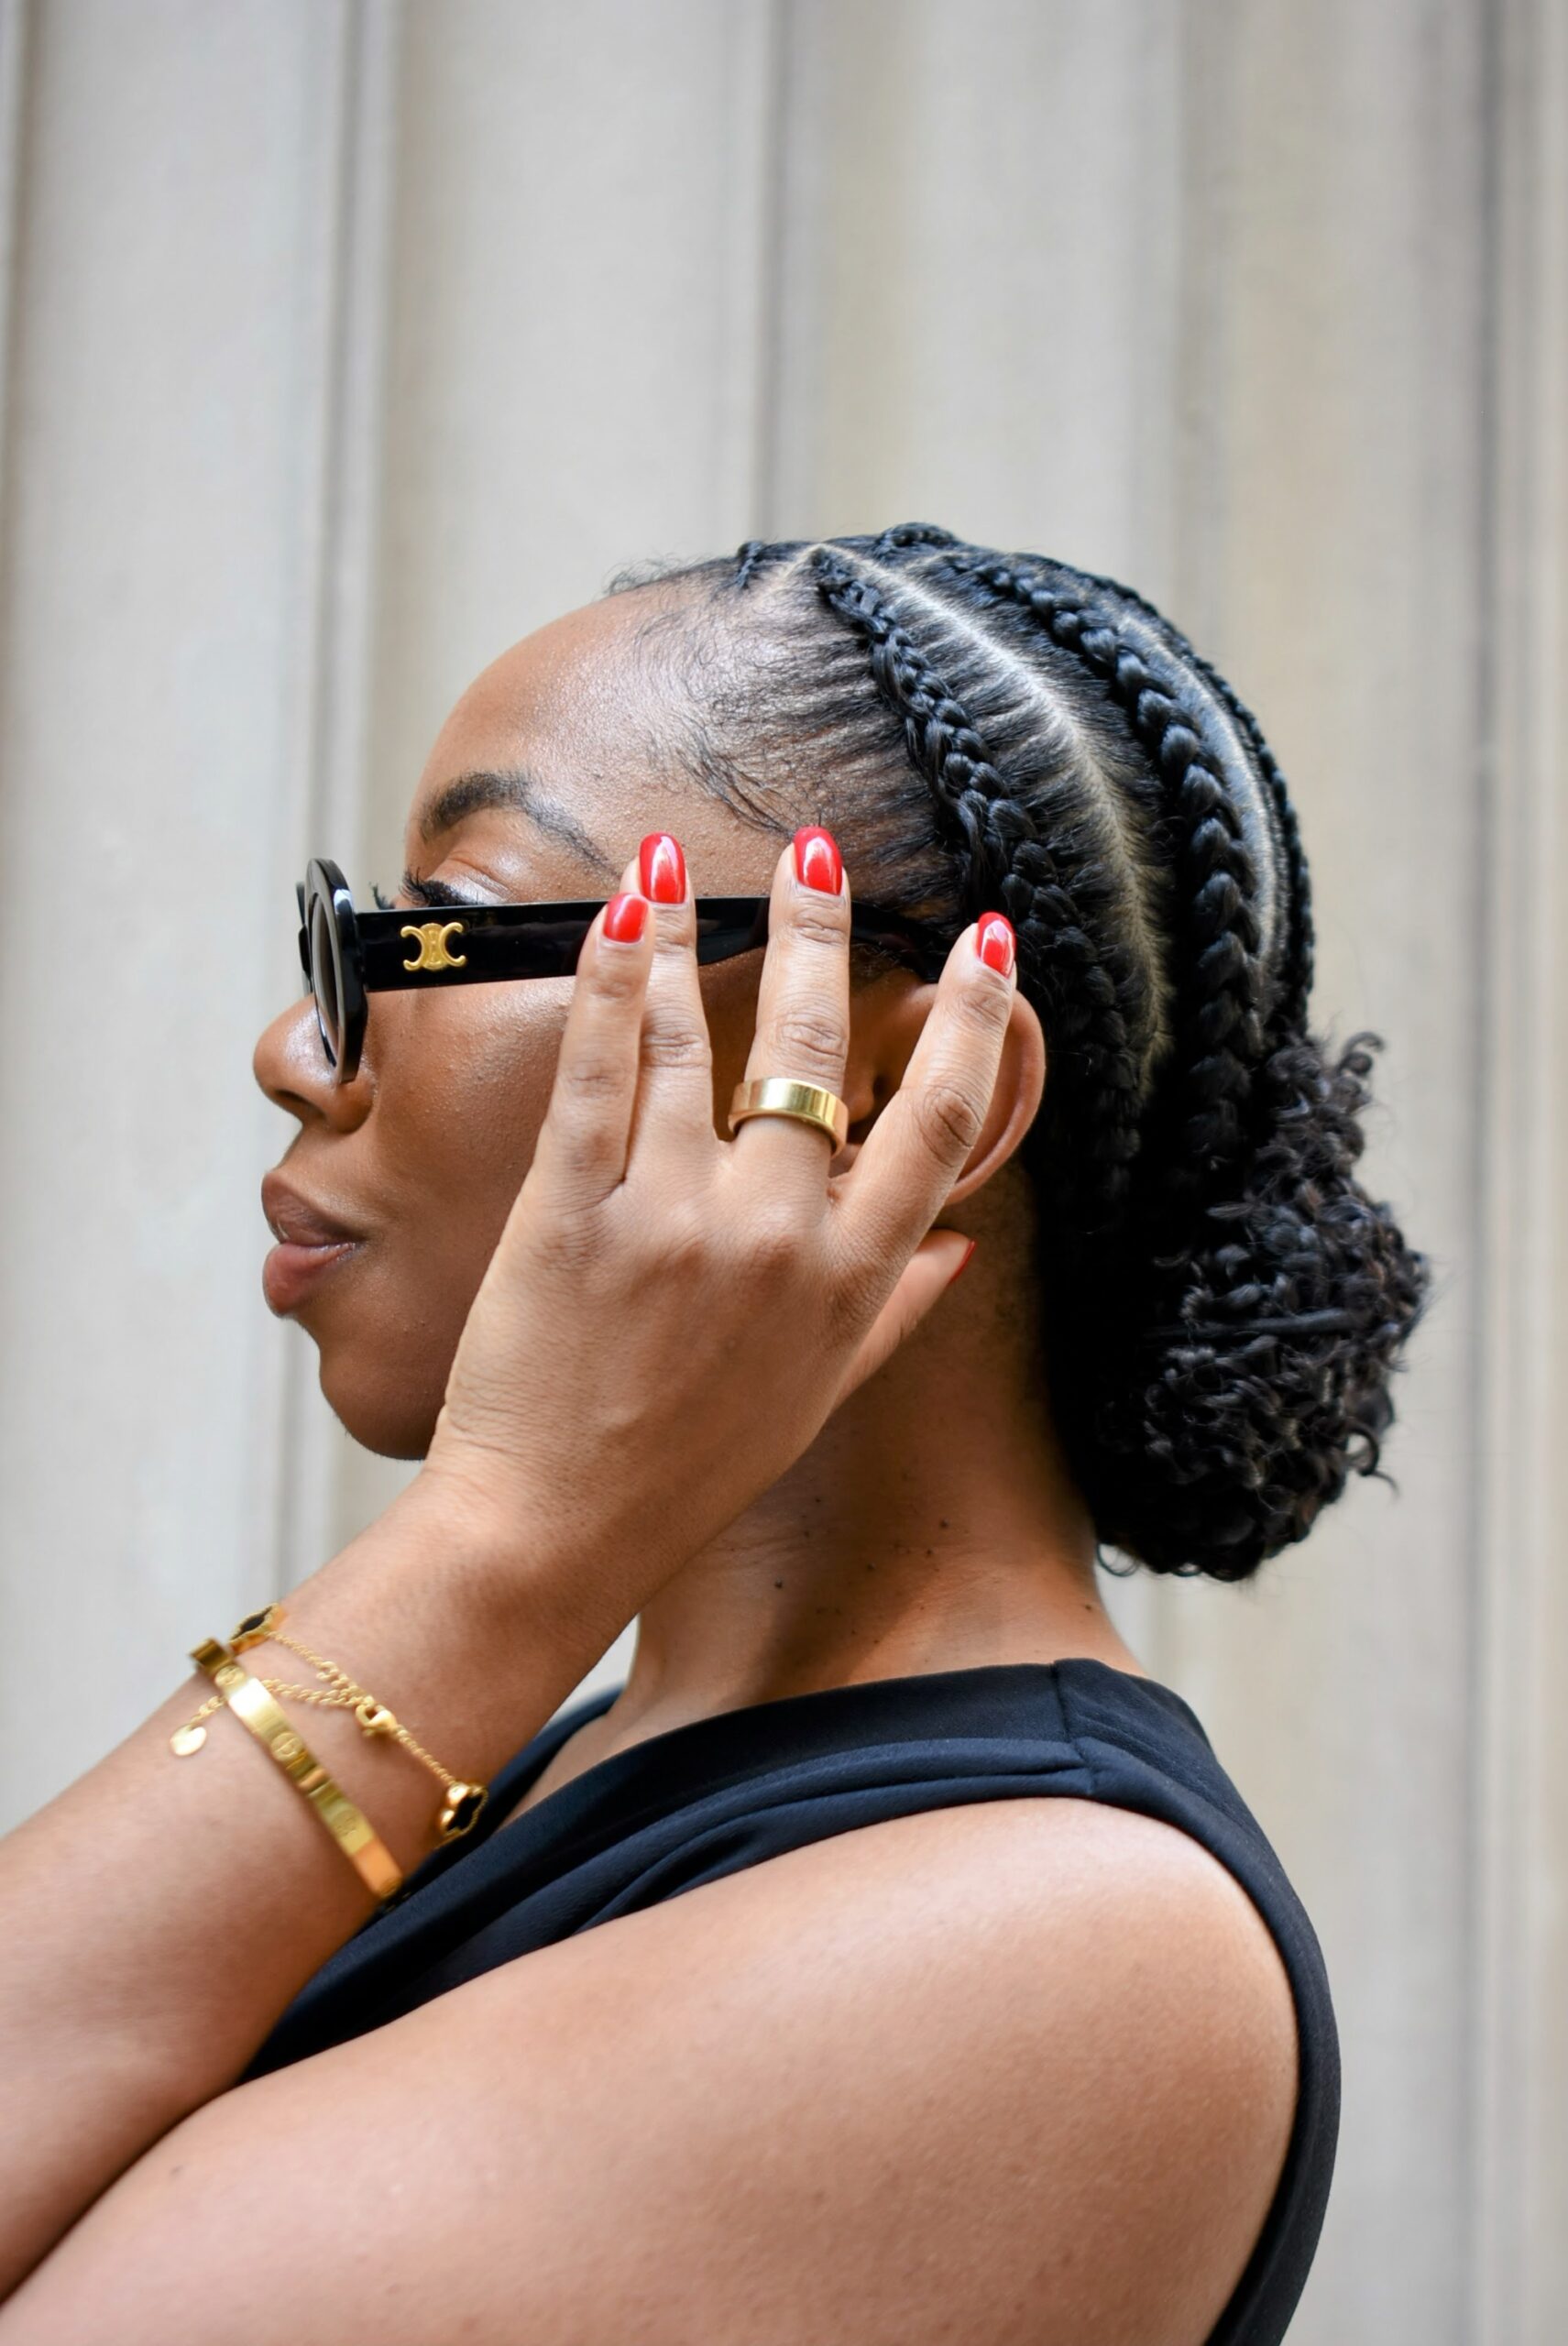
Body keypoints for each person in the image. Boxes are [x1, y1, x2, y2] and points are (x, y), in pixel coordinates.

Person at [0, 528, 1426, 2345]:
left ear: (912, 1088)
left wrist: (509, 1531)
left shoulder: (1062, 1940)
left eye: (433, 924)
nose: (300, 1042)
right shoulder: (575, 1768)